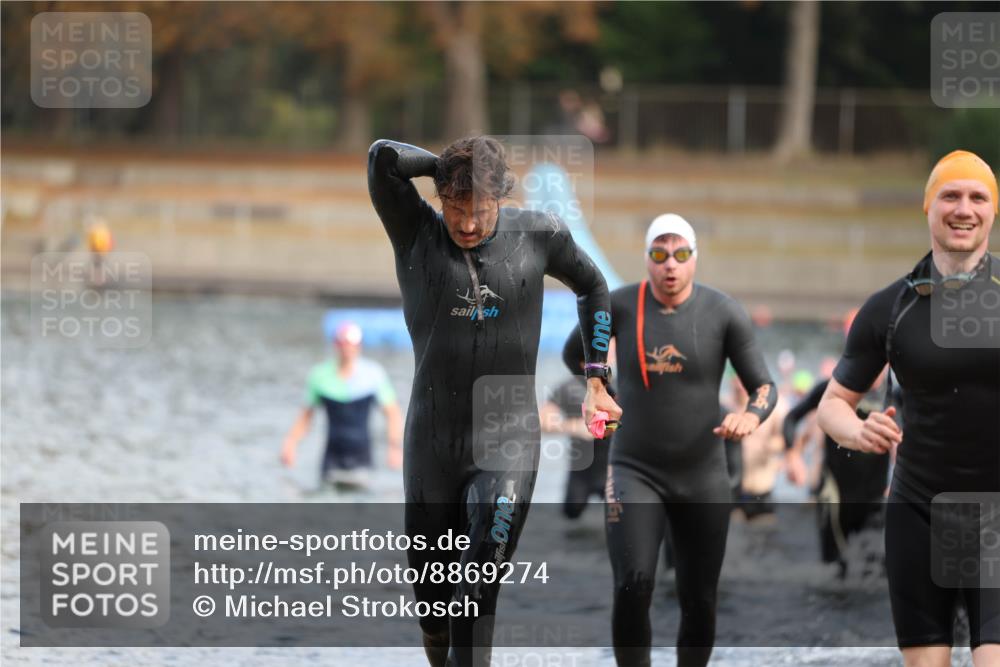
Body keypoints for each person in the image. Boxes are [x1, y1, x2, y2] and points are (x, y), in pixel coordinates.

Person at [367, 136, 620, 667]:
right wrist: (453, 171)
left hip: (508, 441)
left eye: (479, 209)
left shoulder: (539, 234)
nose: (466, 224)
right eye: (455, 209)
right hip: (432, 443)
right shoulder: (416, 232)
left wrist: (597, 377)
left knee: (476, 591)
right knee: (434, 609)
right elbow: (382, 158)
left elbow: (593, 286)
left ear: (500, 198)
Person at [563, 213, 777, 667]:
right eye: (660, 255)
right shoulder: (618, 307)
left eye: (681, 255)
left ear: (694, 259)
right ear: (647, 259)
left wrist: (750, 417)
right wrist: (601, 389)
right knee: (632, 584)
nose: (670, 266)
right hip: (634, 469)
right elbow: (572, 353)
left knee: (698, 597)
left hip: (703, 475)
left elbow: (764, 386)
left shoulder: (723, 313)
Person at [818, 150, 1000, 666]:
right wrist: (855, 432)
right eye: (950, 195)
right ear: (928, 206)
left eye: (977, 197)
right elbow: (833, 403)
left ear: (993, 211)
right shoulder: (890, 309)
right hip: (917, 514)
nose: (963, 208)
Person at [784, 370, 893, 576]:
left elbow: (909, 437)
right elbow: (791, 417)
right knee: (833, 570)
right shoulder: (832, 389)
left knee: (875, 572)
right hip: (833, 493)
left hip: (874, 497)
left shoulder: (894, 395)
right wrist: (792, 456)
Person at [280, 322, 403, 489]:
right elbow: (306, 416)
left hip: (362, 459)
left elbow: (392, 413)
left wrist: (394, 447)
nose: (347, 349)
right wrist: (291, 443)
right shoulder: (320, 376)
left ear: (359, 346)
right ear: (336, 345)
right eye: (343, 344)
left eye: (352, 345)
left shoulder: (373, 374)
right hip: (332, 459)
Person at [539, 368, 613, 520]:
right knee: (571, 513)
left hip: (613, 467)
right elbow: (541, 421)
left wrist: (606, 426)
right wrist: (574, 426)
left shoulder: (615, 385)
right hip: (581, 470)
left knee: (619, 516)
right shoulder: (568, 387)